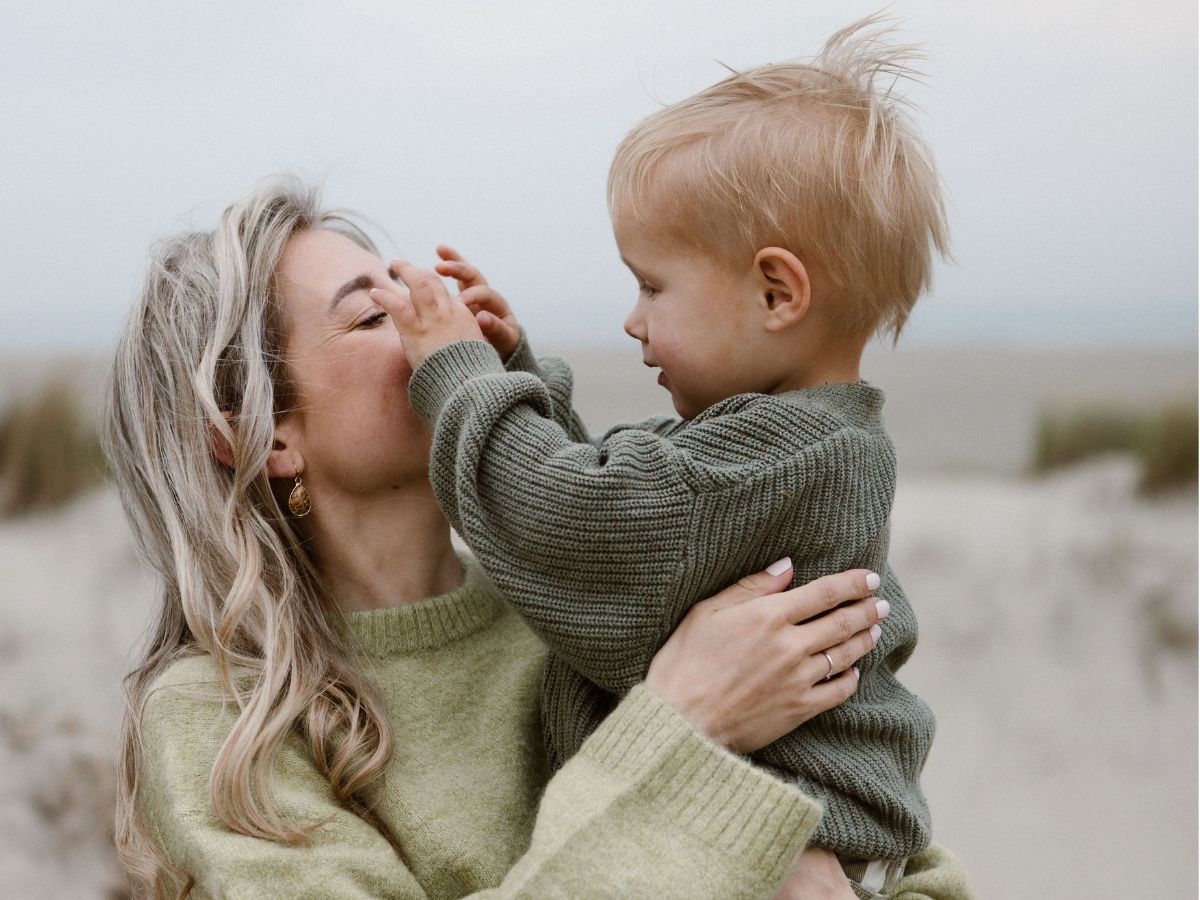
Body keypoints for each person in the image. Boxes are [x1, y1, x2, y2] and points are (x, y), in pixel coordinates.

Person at [102, 179, 970, 899]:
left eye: (421, 299)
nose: (442, 327)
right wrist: (683, 726)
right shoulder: (223, 719)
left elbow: (908, 854)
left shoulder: (596, 592)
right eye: (374, 317)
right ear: (257, 432)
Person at [371, 17, 945, 897]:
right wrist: (513, 373)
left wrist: (458, 375)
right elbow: (624, 518)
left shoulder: (770, 454)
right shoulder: (807, 439)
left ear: (776, 292)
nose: (632, 321)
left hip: (777, 848)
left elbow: (573, 523)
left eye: (652, 285)